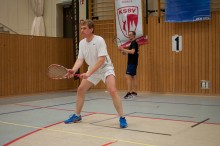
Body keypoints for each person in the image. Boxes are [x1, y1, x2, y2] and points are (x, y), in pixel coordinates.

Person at [64, 19, 127, 128]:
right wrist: (73, 70)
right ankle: (77, 115)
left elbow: (101, 60)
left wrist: (89, 73)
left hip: (105, 68)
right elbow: (80, 59)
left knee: (112, 90)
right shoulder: (82, 43)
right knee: (80, 90)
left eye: (84, 28)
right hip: (92, 70)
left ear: (91, 29)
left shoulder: (99, 40)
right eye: (81, 28)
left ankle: (122, 117)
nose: (82, 30)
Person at [118, 31, 139, 99]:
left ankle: (129, 93)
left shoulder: (134, 43)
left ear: (134, 35)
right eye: (128, 35)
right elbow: (131, 53)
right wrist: (123, 52)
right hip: (133, 62)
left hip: (132, 63)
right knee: (133, 77)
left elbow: (132, 52)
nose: (129, 36)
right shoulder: (134, 43)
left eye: (130, 35)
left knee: (128, 76)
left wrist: (123, 49)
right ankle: (135, 92)